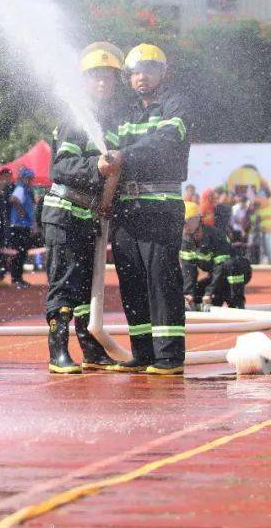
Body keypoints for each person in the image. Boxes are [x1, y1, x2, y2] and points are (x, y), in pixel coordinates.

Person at [106, 43, 193, 375]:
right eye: (135, 72)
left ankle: (169, 356)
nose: (141, 78)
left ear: (163, 72)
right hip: (127, 209)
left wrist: (127, 155)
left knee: (161, 278)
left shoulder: (175, 104)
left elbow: (169, 139)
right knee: (132, 280)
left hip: (160, 207)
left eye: (148, 70)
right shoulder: (125, 112)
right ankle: (142, 352)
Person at [40, 42, 125, 374]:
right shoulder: (76, 120)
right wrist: (97, 168)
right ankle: (57, 352)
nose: (103, 83)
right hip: (63, 213)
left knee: (88, 284)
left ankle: (91, 351)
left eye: (108, 77)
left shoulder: (109, 121)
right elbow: (59, 169)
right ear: (84, 82)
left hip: (88, 216)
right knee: (64, 281)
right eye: (96, 77)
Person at [181, 202, 251, 311]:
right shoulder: (186, 242)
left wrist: (209, 292)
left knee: (231, 265)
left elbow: (221, 266)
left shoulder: (216, 236)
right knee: (197, 295)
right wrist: (189, 294)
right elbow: (188, 271)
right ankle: (217, 300)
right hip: (217, 276)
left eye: (188, 221)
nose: (185, 225)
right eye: (182, 222)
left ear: (198, 219)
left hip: (236, 271)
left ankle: (237, 303)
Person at [8, 168, 37, 289]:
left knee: (22, 253)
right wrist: (22, 214)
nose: (31, 181)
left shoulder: (27, 190)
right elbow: (13, 199)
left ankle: (18, 278)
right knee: (19, 253)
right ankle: (16, 279)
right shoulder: (21, 188)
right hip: (19, 226)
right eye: (29, 178)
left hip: (23, 225)